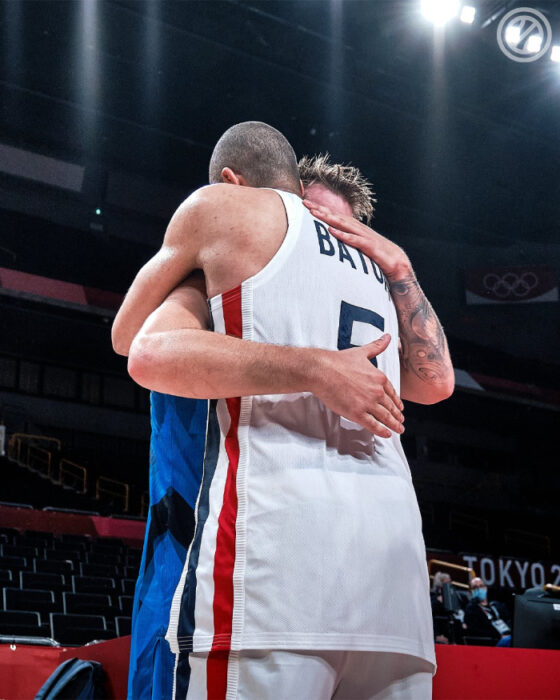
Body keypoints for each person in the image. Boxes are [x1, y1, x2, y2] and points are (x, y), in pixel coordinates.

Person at [119, 121, 455, 698]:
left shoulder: (230, 215)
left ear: (235, 182)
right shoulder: (381, 275)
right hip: (392, 581)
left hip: (271, 565)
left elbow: (135, 343)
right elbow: (439, 382)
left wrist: (310, 366)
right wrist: (398, 270)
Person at [464, 576, 511, 646]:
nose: (479, 589)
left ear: (485, 588)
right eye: (475, 588)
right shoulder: (471, 609)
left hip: (508, 636)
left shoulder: (496, 605)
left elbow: (509, 620)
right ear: (470, 592)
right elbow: (475, 631)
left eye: (481, 586)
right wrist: (498, 635)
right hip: (492, 641)